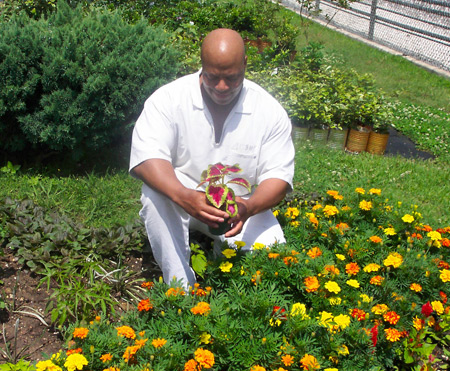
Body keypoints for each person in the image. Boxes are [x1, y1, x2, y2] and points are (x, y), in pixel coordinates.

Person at [129, 28, 295, 288]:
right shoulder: (170, 99)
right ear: (202, 66)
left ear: (245, 66)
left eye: (231, 78)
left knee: (269, 257)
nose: (221, 87)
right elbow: (146, 157)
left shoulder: (268, 110)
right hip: (183, 194)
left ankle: (222, 271)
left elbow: (279, 177)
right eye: (212, 77)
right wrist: (183, 196)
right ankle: (180, 290)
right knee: (155, 196)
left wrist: (248, 208)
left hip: (239, 204)